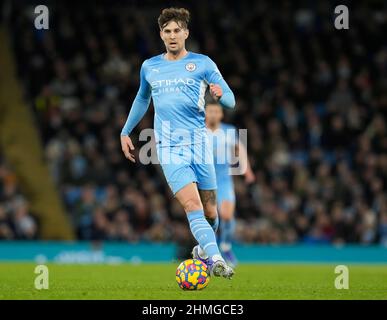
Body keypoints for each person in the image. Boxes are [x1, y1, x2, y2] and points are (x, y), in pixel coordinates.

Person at [120, 7, 235, 278]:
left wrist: (220, 95)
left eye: (176, 31)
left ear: (186, 33)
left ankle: (202, 251)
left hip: (199, 144)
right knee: (192, 206)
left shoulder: (203, 63)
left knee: (210, 211)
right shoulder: (150, 66)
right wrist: (125, 131)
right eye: (167, 31)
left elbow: (230, 99)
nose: (172, 36)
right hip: (169, 148)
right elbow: (141, 99)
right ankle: (217, 260)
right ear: (161, 35)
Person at [206, 102, 255, 267]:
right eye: (210, 111)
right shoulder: (197, 130)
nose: (213, 114)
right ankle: (208, 252)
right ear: (205, 113)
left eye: (216, 111)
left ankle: (226, 246)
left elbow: (239, 149)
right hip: (204, 180)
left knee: (226, 216)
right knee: (209, 218)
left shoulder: (228, 130)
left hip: (224, 179)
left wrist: (247, 170)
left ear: (221, 114)